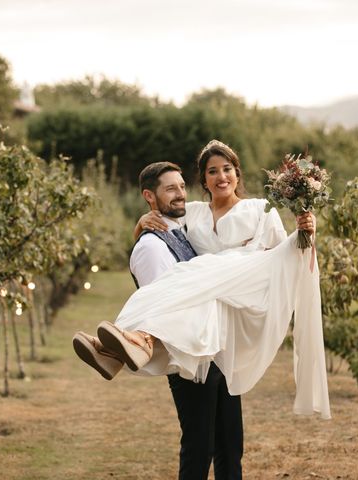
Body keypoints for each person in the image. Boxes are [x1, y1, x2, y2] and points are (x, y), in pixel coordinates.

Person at [74, 139, 330, 422]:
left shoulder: (260, 209)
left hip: (244, 288)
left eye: (227, 169)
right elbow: (162, 232)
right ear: (204, 179)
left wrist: (305, 232)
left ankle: (126, 343)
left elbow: (285, 257)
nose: (221, 176)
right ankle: (121, 347)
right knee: (175, 282)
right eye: (212, 171)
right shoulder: (192, 212)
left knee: (186, 278)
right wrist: (142, 222)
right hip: (207, 292)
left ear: (237, 173)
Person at [74, 160, 243, 479]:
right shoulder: (151, 247)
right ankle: (127, 343)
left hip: (217, 351)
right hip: (190, 360)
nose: (180, 194)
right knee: (199, 447)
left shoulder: (184, 227)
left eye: (182, 186)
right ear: (150, 197)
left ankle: (113, 351)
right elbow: (162, 304)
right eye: (170, 189)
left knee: (230, 445)